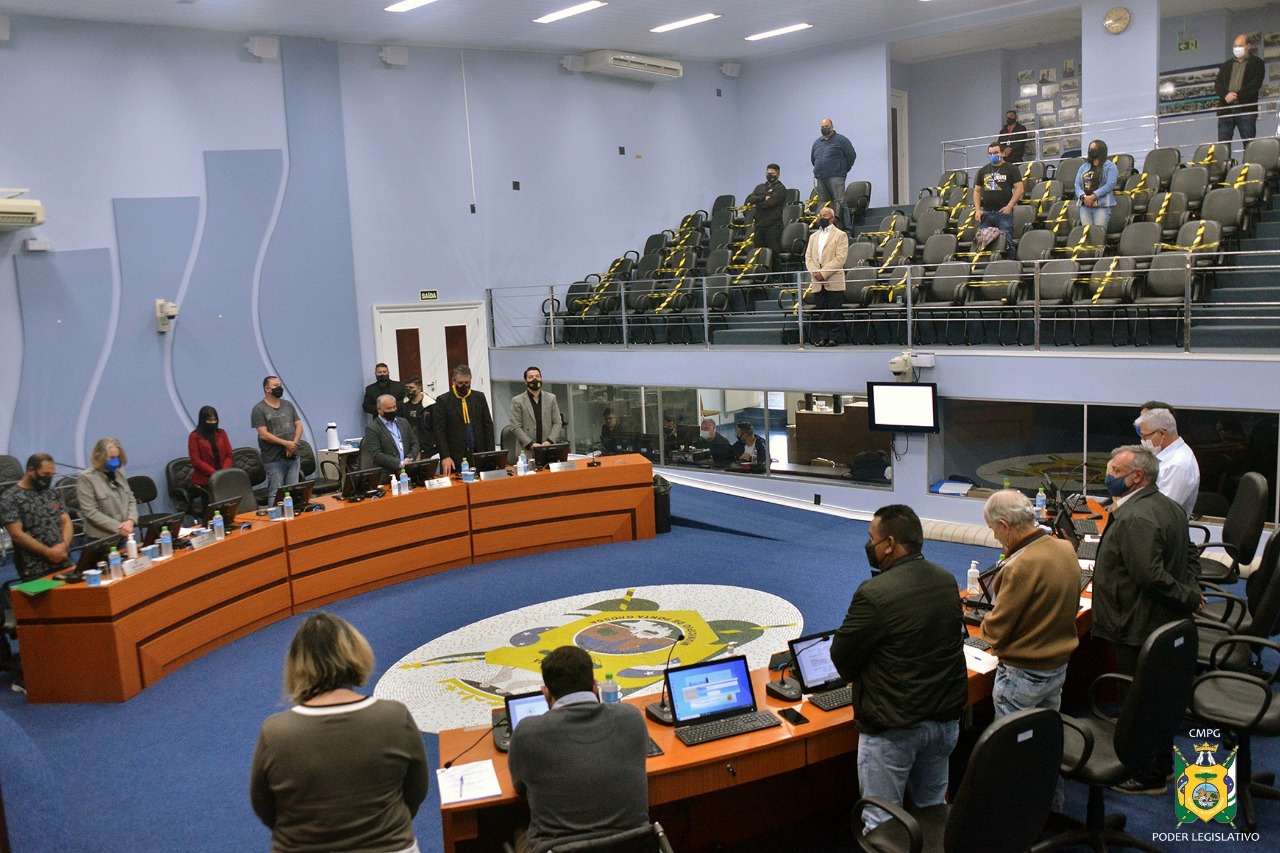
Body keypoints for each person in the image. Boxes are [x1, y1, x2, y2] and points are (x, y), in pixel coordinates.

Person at [830, 504, 968, 832]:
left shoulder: (875, 593)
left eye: (872, 538)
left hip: (895, 729)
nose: (869, 546)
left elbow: (842, 659)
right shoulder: (946, 580)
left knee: (882, 827)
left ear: (889, 543)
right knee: (934, 811)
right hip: (944, 721)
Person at [250, 612, 429, 852]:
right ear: (356, 655)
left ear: (296, 667)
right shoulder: (394, 717)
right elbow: (415, 792)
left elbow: (265, 807)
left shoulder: (275, 733)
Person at [1091, 445, 1204, 794]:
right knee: (1153, 697)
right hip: (1154, 619)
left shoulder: (1137, 517)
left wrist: (1189, 596)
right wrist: (1193, 588)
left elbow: (1150, 577)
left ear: (1136, 476)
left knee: (1140, 702)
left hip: (1135, 623)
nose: (1107, 476)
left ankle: (1149, 774)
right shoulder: (1165, 505)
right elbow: (1191, 557)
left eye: (1113, 470)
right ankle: (1160, 765)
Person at [979, 489, 1080, 814]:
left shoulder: (1020, 565)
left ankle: (1011, 825)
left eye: (994, 530)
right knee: (1046, 745)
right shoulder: (1065, 549)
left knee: (1011, 754)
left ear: (1005, 525)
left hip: (1022, 674)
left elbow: (996, 628)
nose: (995, 537)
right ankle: (1051, 811)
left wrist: (984, 626)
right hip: (1057, 667)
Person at [507, 645, 649, 853]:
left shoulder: (527, 733)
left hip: (555, 848)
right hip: (632, 846)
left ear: (546, 694)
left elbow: (519, 786)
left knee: (514, 826)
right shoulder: (631, 718)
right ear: (595, 687)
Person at [0, 453, 74, 581]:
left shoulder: (51, 493)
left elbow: (66, 521)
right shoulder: (10, 497)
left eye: (52, 475)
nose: (49, 478)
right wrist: (48, 552)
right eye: (45, 474)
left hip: (63, 558)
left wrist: (64, 545)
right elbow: (17, 534)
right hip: (34, 568)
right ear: (31, 471)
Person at [1134, 407, 1200, 518]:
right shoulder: (1165, 456)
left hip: (1159, 530)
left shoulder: (1177, 465)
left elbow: (1161, 513)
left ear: (1161, 434)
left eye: (1145, 436)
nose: (1143, 441)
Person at [433, 364, 494, 477]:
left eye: (467, 383)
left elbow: (488, 426)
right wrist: (445, 456)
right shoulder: (443, 401)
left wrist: (491, 454)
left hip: (478, 452)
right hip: (454, 455)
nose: (464, 386)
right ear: (453, 381)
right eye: (460, 383)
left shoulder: (479, 397)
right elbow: (439, 431)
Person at [252, 375, 303, 505]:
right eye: (275, 386)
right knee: (275, 493)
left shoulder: (288, 405)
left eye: (280, 385)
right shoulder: (259, 409)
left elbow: (299, 425)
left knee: (293, 491)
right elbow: (263, 434)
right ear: (267, 389)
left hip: (292, 456)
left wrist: (293, 444)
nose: (279, 388)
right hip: (273, 459)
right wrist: (286, 444)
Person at [76, 437, 138, 541]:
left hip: (124, 535)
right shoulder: (86, 477)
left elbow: (130, 498)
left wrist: (131, 521)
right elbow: (90, 512)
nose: (115, 461)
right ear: (98, 456)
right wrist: (119, 527)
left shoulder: (119, 472)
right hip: (101, 538)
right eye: (111, 458)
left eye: (117, 457)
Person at [804, 205, 849, 347]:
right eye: (820, 216)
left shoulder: (840, 235)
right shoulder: (813, 236)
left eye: (824, 216)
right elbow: (808, 257)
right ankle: (823, 336)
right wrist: (814, 272)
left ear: (832, 218)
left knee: (834, 311)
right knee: (822, 311)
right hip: (817, 280)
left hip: (833, 278)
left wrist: (823, 273)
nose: (821, 218)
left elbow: (840, 259)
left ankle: (834, 337)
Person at [973, 140, 1024, 255]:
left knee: (1008, 242)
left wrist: (1009, 206)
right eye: (990, 154)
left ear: (1003, 153)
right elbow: (977, 191)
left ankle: (1011, 265)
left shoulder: (1011, 169)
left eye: (995, 153)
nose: (992, 156)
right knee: (982, 243)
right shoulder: (983, 171)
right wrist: (977, 209)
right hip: (986, 214)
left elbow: (1020, 189)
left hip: (1003, 213)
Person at [1215, 34, 1265, 148]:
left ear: (1248, 46)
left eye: (1240, 45)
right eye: (1235, 46)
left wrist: (1237, 95)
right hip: (1225, 108)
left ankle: (1248, 165)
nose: (1237, 48)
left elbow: (1255, 84)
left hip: (1246, 108)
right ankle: (1225, 166)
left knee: (1249, 144)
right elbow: (1218, 84)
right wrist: (1226, 95)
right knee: (1223, 145)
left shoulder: (1257, 63)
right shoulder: (1226, 65)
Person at [362, 394, 421, 482]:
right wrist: (399, 464)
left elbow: (415, 443)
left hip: (408, 472)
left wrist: (409, 459)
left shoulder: (403, 422)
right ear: (379, 410)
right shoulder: (373, 428)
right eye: (388, 408)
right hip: (387, 476)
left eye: (394, 407)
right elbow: (376, 454)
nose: (392, 410)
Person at [812, 119, 857, 233]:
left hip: (836, 176)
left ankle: (846, 228)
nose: (824, 128)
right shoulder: (817, 142)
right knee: (824, 203)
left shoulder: (841, 140)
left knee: (840, 202)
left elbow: (851, 155)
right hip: (821, 177)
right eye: (822, 126)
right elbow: (813, 159)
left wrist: (843, 169)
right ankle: (826, 227)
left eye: (826, 126)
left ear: (832, 126)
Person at [188, 405, 233, 513]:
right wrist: (214, 473)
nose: (212, 422)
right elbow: (196, 461)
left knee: (227, 508)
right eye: (209, 420)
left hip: (223, 477)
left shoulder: (222, 433)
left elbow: (229, 454)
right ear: (203, 421)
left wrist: (222, 472)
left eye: (214, 420)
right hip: (205, 480)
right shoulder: (194, 436)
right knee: (210, 511)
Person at [509, 366, 564, 453]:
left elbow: (557, 422)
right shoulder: (517, 401)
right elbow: (515, 426)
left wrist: (550, 441)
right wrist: (530, 444)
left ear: (541, 379)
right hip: (526, 451)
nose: (535, 379)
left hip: (548, 448)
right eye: (531, 377)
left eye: (537, 376)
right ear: (526, 382)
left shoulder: (551, 398)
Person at [744, 163, 786, 270]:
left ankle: (776, 277)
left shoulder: (780, 188)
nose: (769, 175)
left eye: (772, 173)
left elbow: (770, 203)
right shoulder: (760, 187)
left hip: (773, 225)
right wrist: (763, 197)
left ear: (778, 174)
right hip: (759, 225)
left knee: (773, 252)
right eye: (768, 173)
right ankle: (760, 276)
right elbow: (750, 199)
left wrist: (757, 204)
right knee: (759, 252)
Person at [1075, 139, 1119, 229]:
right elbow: (1077, 184)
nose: (1091, 150)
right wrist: (1083, 197)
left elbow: (1109, 185)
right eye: (1090, 148)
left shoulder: (1110, 167)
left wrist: (1094, 196)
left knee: (1098, 234)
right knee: (1087, 235)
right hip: (1085, 207)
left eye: (1094, 148)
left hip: (1101, 207)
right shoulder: (1084, 167)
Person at [403, 376, 437, 459]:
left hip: (427, 447)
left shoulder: (430, 405)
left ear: (419, 388)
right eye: (406, 388)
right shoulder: (404, 405)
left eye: (411, 387)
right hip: (410, 447)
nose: (408, 390)